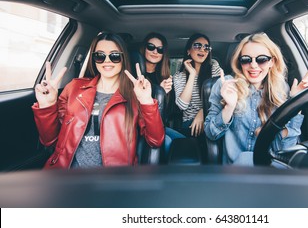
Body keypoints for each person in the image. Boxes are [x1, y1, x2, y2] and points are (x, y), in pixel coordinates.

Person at [32, 32, 164, 169]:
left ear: (123, 58)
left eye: (114, 56)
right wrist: (47, 105)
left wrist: (146, 101)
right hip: (66, 175)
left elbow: (155, 140)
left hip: (111, 181)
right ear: (94, 59)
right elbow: (49, 141)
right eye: (100, 56)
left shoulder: (135, 94)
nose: (107, 61)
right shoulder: (74, 87)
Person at [204, 33, 308, 165]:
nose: (253, 65)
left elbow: (286, 149)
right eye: (246, 59)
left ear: (272, 61)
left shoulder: (281, 89)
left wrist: (295, 105)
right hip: (236, 170)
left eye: (261, 59)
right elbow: (211, 134)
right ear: (240, 63)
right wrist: (229, 107)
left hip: (269, 169)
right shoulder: (226, 86)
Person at [140, 32, 185, 154]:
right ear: (144, 48)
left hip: (160, 126)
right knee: (168, 142)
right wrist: (158, 93)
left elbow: (169, 113)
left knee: (184, 143)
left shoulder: (165, 78)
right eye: (151, 47)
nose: (155, 52)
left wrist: (165, 95)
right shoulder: (136, 76)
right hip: (140, 127)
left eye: (160, 50)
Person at [173, 33, 221, 137]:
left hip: (213, 119)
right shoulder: (179, 76)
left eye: (206, 47)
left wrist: (203, 112)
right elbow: (182, 105)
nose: (202, 49)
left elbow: (222, 98)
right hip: (190, 124)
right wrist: (192, 74)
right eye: (197, 45)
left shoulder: (215, 69)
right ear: (188, 51)